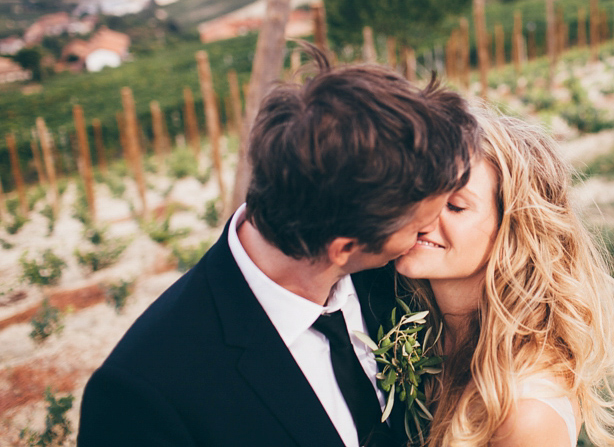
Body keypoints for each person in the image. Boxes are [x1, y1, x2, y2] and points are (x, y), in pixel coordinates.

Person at [78, 47, 479, 447]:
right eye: (416, 225)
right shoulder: (143, 395)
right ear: (345, 247)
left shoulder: (404, 280)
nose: (428, 232)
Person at [395, 108, 614, 447]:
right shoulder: (411, 317)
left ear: (513, 231)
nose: (421, 216)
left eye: (455, 206)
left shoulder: (525, 414)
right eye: (420, 194)